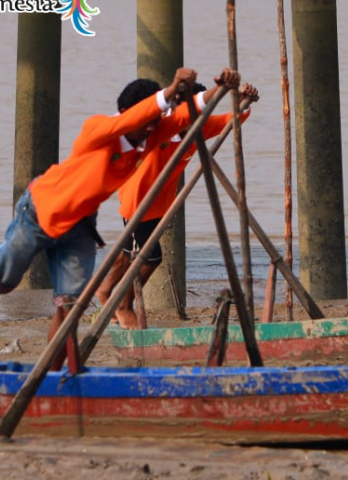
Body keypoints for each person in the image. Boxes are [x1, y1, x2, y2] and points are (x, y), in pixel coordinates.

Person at [0, 67, 244, 368]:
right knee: (3, 279)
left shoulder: (151, 137)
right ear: (129, 113)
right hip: (40, 209)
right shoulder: (98, 129)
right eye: (148, 121)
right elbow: (142, 116)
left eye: (156, 123)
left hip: (80, 226)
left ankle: (50, 373)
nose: (154, 129)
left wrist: (220, 89)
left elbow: (188, 116)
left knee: (70, 304)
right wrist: (169, 92)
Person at [96, 82, 260, 329]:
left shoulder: (200, 129)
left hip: (159, 203)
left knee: (131, 251)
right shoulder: (161, 129)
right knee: (149, 258)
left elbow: (231, 121)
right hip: (137, 200)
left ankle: (106, 289)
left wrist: (243, 103)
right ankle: (123, 305)